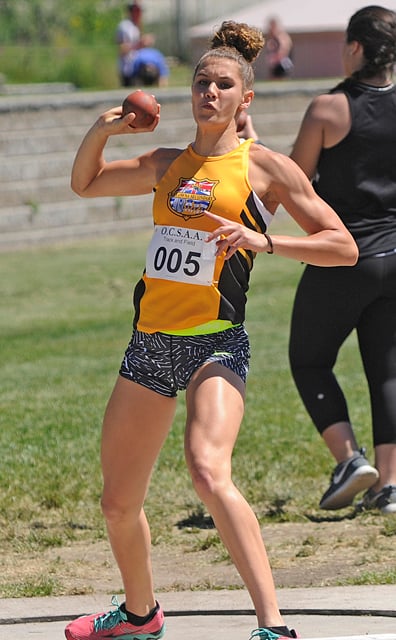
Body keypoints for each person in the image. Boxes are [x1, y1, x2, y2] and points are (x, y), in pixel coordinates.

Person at [65, 20, 357, 640]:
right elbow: (85, 182)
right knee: (117, 503)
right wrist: (104, 128)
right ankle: (141, 616)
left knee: (206, 469)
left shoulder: (265, 169)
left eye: (223, 85)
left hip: (216, 341)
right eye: (203, 83)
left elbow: (343, 245)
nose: (210, 93)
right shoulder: (166, 163)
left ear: (244, 98)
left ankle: (273, 626)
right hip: (150, 343)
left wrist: (265, 238)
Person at [288, 6, 396, 514]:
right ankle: (389, 486)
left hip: (344, 256)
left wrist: (251, 141)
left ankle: (350, 460)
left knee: (309, 360)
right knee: (387, 371)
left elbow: (295, 179)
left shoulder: (328, 109)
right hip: (395, 258)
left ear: (354, 47)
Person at [116, 2, 143, 87]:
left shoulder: (135, 26)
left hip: (137, 66)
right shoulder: (125, 26)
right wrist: (140, 44)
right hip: (127, 68)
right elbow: (122, 49)